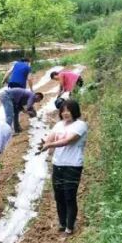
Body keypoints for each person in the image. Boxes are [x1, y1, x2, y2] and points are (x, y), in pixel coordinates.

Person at [40, 99, 88, 235]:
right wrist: (46, 143)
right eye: (63, 111)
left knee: (69, 196)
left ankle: (70, 226)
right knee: (59, 196)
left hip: (72, 165)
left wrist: (50, 145)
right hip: (58, 164)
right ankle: (62, 223)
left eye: (68, 110)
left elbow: (68, 141)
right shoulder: (59, 125)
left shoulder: (80, 125)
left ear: (75, 111)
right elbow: (51, 137)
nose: (66, 113)